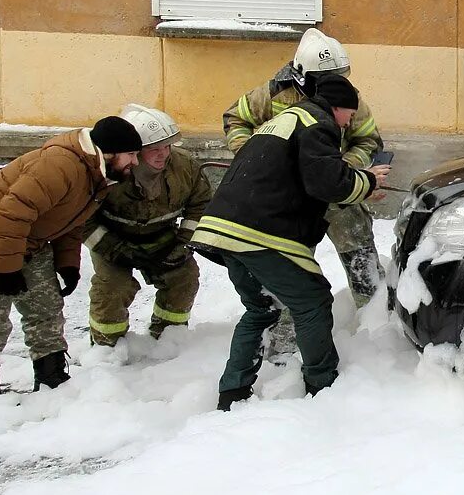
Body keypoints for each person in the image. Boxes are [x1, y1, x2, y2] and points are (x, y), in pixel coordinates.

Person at [193, 76, 391, 410]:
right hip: (259, 231)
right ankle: (323, 384)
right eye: (349, 115)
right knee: (312, 300)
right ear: (338, 107)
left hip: (221, 227)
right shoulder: (318, 122)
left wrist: (358, 184)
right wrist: (367, 180)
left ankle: (232, 392)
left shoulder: (283, 121)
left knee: (261, 308)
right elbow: (325, 182)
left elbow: (299, 177)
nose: (348, 124)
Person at [0, 117, 143, 409]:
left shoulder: (99, 174)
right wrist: (7, 269)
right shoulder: (60, 165)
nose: (136, 162)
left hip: (27, 240)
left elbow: (71, 220)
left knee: (46, 308)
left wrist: (66, 264)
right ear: (109, 152)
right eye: (131, 155)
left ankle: (51, 377)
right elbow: (9, 214)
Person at [222, 28, 386, 308]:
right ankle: (286, 336)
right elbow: (235, 119)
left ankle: (374, 319)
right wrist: (253, 155)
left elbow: (368, 140)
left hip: (336, 194)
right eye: (325, 79)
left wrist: (343, 168)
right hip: (290, 200)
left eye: (339, 76)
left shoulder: (348, 98)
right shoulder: (273, 96)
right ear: (303, 76)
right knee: (288, 266)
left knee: (359, 253)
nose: (334, 84)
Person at [83, 105, 213, 346]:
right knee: (113, 287)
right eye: (154, 149)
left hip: (163, 238)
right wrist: (113, 249)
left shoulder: (184, 168)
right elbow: (83, 219)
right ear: (134, 151)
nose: (163, 154)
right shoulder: (107, 172)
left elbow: (201, 204)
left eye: (167, 147)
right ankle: (107, 347)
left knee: (184, 276)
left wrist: (183, 243)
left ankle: (168, 338)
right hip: (113, 241)